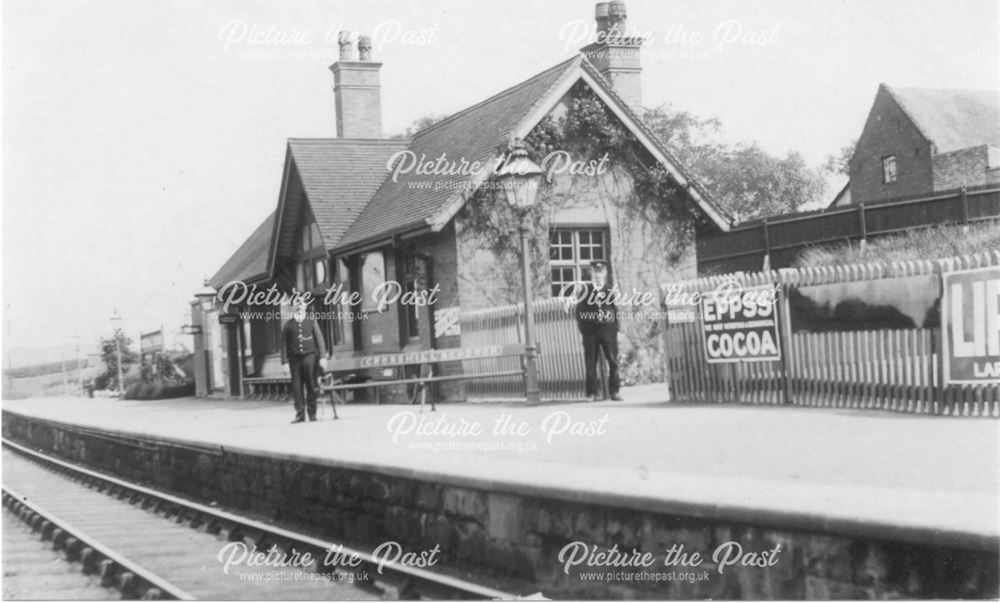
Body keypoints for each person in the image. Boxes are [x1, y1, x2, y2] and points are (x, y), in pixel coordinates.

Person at [571, 260, 623, 402]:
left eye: (601, 272)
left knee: (613, 361)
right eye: (595, 272)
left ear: (605, 273)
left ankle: (615, 391)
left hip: (608, 330)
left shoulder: (610, 290)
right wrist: (585, 331)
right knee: (590, 362)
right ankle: (591, 393)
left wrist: (618, 331)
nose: (598, 275)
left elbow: (616, 310)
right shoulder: (585, 291)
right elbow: (579, 312)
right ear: (591, 273)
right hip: (591, 332)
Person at [281, 301, 327, 423]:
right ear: (293, 307)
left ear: (305, 306)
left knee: (311, 385)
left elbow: (320, 340)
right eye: (296, 304)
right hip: (294, 360)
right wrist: (284, 362)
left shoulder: (312, 322)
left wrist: (322, 357)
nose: (299, 306)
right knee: (297, 387)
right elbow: (284, 345)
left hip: (310, 358)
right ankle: (300, 415)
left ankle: (312, 414)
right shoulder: (288, 325)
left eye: (301, 303)